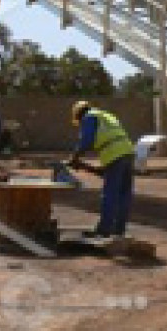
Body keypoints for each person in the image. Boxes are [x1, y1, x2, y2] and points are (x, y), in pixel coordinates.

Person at [71, 101, 137, 239]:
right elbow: (104, 173)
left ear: (79, 114)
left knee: (110, 194)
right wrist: (84, 166)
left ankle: (104, 229)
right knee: (124, 194)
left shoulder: (88, 117)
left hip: (114, 154)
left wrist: (75, 158)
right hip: (128, 153)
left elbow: (86, 141)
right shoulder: (106, 116)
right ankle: (119, 230)